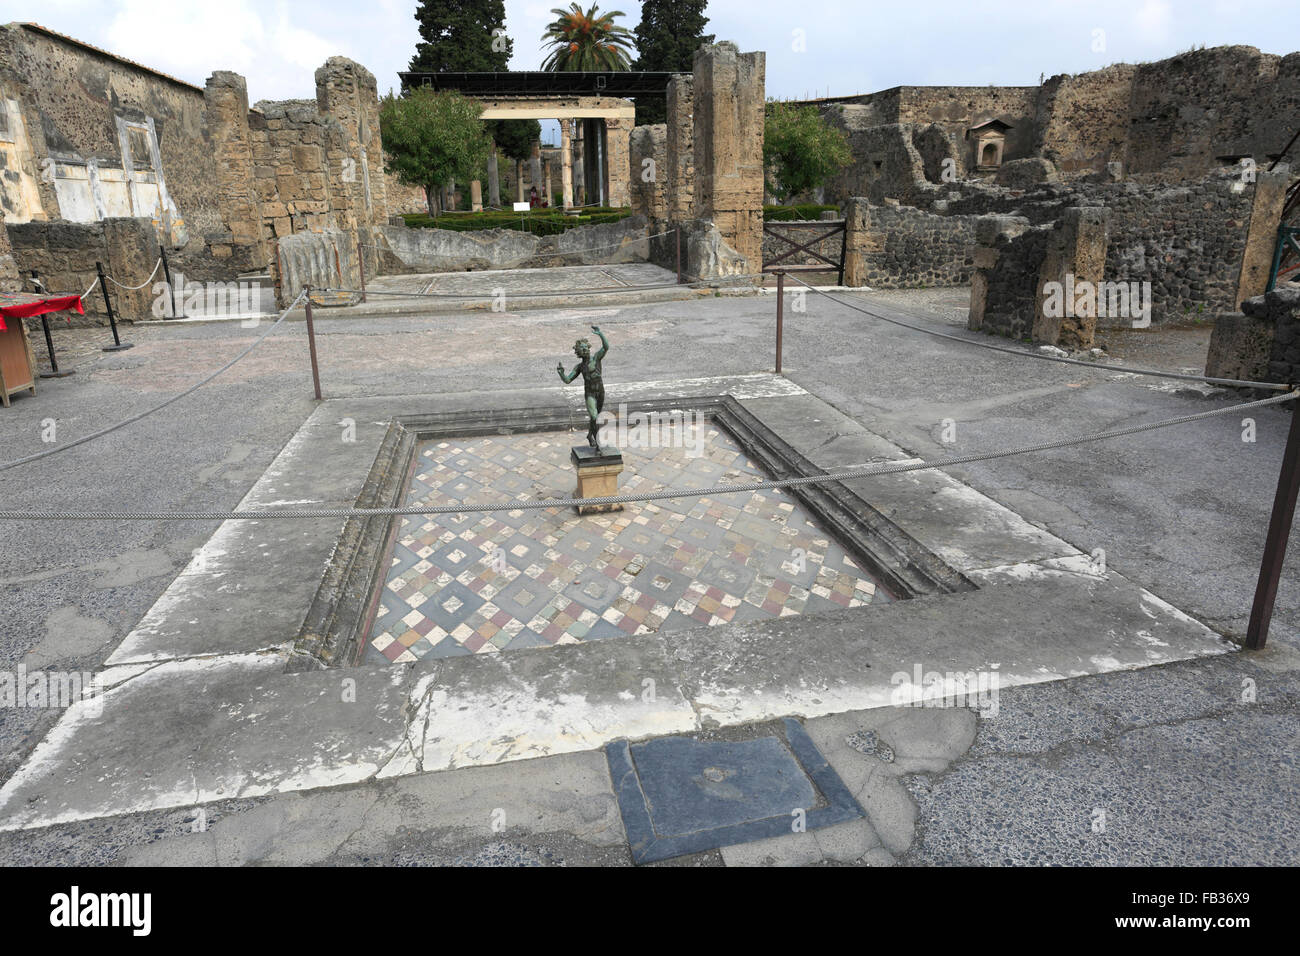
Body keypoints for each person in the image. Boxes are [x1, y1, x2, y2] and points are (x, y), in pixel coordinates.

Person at [557, 325, 610, 449]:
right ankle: (598, 442)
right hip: (590, 394)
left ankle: (590, 435)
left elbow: (606, 347)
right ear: (579, 353)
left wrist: (600, 334)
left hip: (600, 392)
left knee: (595, 418)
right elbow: (568, 380)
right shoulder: (579, 367)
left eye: (586, 348)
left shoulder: (596, 358)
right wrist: (561, 373)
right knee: (594, 416)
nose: (585, 350)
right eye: (582, 349)